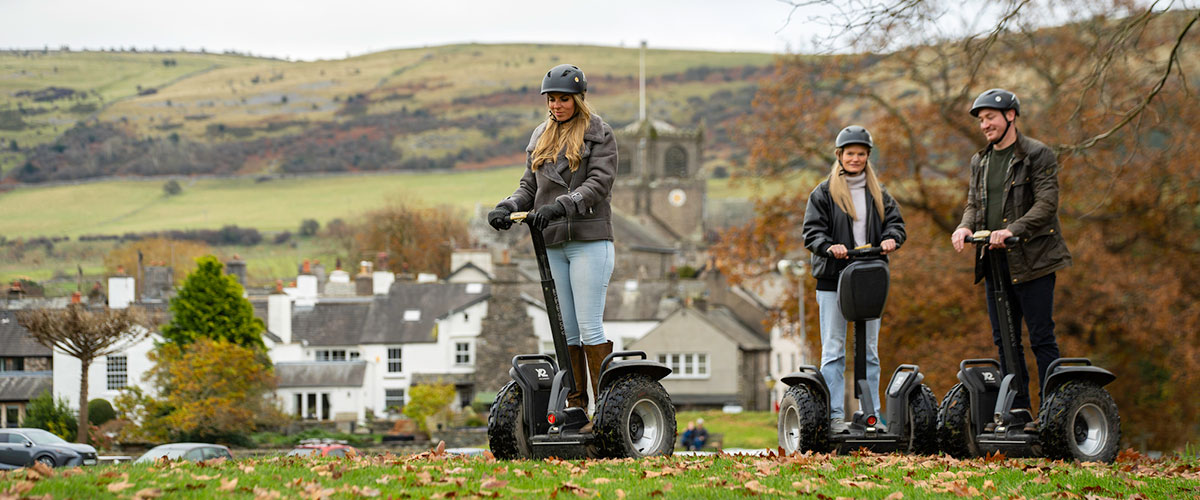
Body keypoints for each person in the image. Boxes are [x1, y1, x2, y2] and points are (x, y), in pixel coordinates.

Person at [487, 64, 618, 432]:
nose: (556, 105)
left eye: (563, 99)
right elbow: (528, 187)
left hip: (589, 239)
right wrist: (507, 206)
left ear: (578, 99)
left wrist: (563, 205)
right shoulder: (541, 136)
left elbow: (599, 183)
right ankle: (577, 408)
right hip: (553, 242)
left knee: (589, 327)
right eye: (551, 99)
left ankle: (605, 412)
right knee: (566, 331)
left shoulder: (599, 134)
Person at [951, 89, 1071, 432]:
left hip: (1033, 260)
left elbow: (1047, 204)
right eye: (981, 120)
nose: (985, 125)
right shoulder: (980, 161)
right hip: (994, 262)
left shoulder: (1037, 154)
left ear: (1011, 116)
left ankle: (1052, 412)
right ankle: (1019, 411)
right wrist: (964, 227)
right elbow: (974, 204)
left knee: (1041, 337)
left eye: (990, 117)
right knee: (1005, 340)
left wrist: (1012, 230)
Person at [802, 126, 906, 434]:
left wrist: (891, 238)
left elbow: (896, 224)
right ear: (840, 155)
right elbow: (812, 232)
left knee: (869, 350)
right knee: (834, 349)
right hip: (833, 278)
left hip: (868, 277)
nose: (856, 159)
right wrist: (829, 246)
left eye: (861, 154)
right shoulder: (823, 193)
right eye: (850, 153)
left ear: (868, 156)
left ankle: (870, 414)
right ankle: (834, 416)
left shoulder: (878, 193)